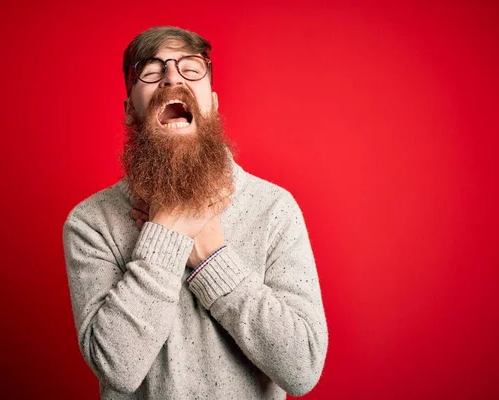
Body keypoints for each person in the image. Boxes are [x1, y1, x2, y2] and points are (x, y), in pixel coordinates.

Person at [63, 26, 328, 399]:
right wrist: (167, 232)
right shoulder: (91, 223)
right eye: (151, 71)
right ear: (129, 111)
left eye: (191, 68)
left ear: (213, 104)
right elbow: (117, 367)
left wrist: (212, 258)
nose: (172, 76)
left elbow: (302, 368)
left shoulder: (273, 208)